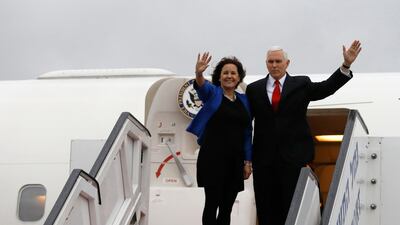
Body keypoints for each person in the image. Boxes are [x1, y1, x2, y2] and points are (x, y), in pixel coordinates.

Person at [245, 40, 362, 225]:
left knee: (292, 210)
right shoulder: (253, 89)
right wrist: (246, 159)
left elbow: (326, 88)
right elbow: (244, 123)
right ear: (266, 63)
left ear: (287, 63)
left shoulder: (301, 84)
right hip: (264, 162)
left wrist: (346, 65)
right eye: (270, 62)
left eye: (278, 61)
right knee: (266, 210)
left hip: (294, 161)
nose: (274, 65)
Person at [186, 52, 253, 225]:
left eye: (233, 73)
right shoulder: (213, 93)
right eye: (225, 73)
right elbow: (201, 87)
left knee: (227, 208)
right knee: (212, 204)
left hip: (235, 160)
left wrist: (247, 162)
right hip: (212, 159)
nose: (229, 76)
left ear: (239, 77)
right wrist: (199, 73)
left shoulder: (245, 101)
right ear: (219, 76)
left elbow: (247, 133)